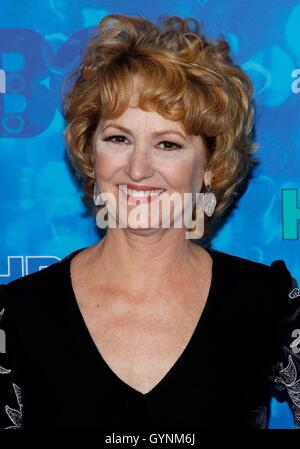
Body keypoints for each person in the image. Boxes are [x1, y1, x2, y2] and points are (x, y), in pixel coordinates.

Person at [0, 13, 299, 431]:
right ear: (91, 152)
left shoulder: (273, 305)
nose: (137, 169)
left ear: (210, 165)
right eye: (119, 139)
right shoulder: (15, 315)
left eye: (167, 144)